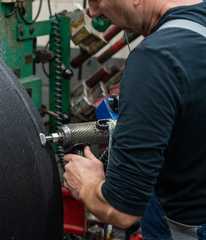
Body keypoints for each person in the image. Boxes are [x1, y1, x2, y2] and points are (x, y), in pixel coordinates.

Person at [62, 0, 206, 239]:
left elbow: (121, 209)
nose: (92, 11)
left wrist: (86, 184)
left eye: (96, 0)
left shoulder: (155, 59)